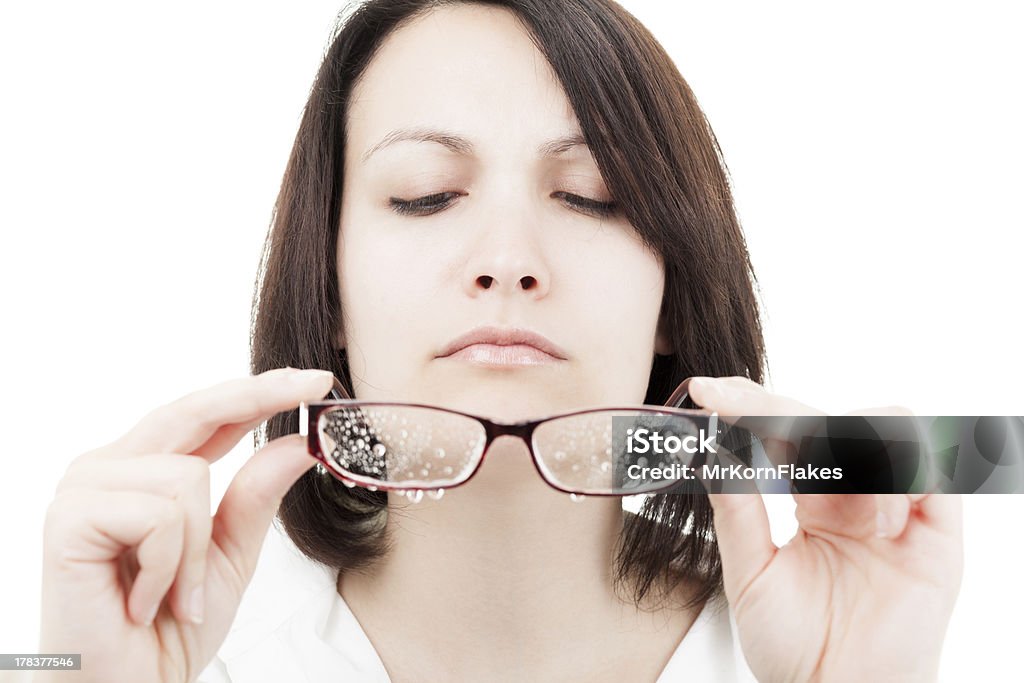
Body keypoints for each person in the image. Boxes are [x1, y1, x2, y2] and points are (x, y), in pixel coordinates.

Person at [37, 1, 964, 681]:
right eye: (427, 194)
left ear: (675, 294)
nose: (510, 260)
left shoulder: (822, 642)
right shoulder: (165, 644)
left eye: (591, 194)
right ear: (327, 288)